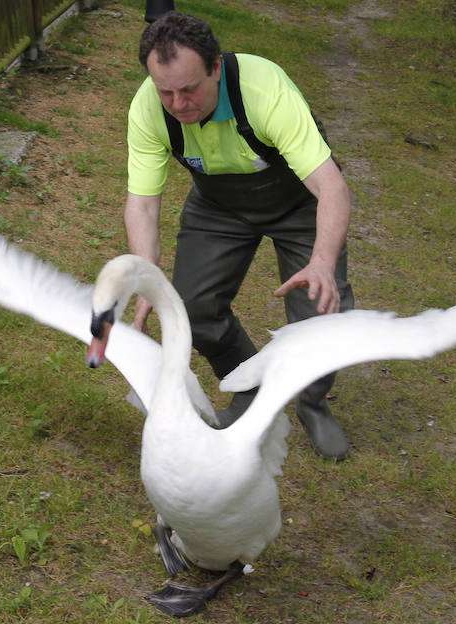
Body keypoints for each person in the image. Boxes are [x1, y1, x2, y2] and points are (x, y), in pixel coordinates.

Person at [123, 12, 355, 459]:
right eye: (165, 91)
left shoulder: (263, 90)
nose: (178, 103)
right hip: (219, 206)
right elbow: (143, 203)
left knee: (322, 310)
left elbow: (331, 187)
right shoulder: (150, 108)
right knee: (189, 309)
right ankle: (251, 389)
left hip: (298, 203)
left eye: (189, 89)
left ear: (214, 67)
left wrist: (323, 260)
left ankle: (312, 402)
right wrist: (146, 275)